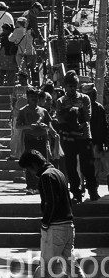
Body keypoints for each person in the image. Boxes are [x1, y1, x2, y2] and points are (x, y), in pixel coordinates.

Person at [15, 149, 96, 278]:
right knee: (71, 265)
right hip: (68, 225)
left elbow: (51, 203)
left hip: (56, 227)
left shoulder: (46, 177)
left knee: (46, 266)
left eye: (29, 169)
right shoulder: (58, 173)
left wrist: (45, 223)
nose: (30, 173)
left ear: (34, 165)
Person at [53, 73, 98, 202]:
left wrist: (77, 122)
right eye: (69, 86)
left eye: (74, 86)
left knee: (87, 166)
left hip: (84, 136)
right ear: (65, 86)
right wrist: (70, 120)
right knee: (71, 167)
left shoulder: (84, 98)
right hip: (69, 137)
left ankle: (92, 190)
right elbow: (59, 118)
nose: (72, 88)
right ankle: (76, 193)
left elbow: (87, 117)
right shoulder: (60, 101)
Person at [14, 17, 38, 86]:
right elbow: (34, 41)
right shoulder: (31, 31)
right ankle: (29, 82)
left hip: (22, 51)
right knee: (28, 68)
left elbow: (11, 39)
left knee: (23, 68)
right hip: (30, 52)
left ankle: (25, 82)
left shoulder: (18, 31)